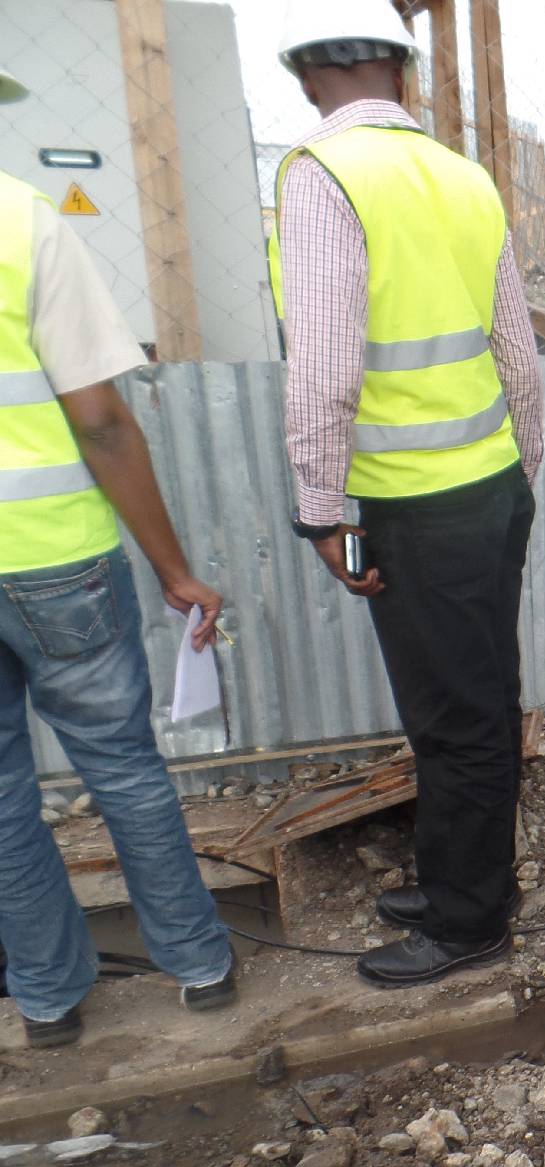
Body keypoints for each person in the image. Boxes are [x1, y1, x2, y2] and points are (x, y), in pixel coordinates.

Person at [271, 2, 545, 988]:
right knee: (479, 700)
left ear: (308, 76)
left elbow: (325, 370)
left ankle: (469, 922)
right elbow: (516, 347)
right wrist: (527, 470)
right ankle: (465, 885)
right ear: (403, 73)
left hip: (413, 507)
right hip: (487, 490)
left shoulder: (322, 176)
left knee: (452, 716)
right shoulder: (461, 176)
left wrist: (320, 509)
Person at [0, 68, 238, 1047]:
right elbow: (97, 418)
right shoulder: (23, 223)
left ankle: (48, 997)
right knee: (125, 769)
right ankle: (198, 964)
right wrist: (174, 566)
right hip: (58, 560)